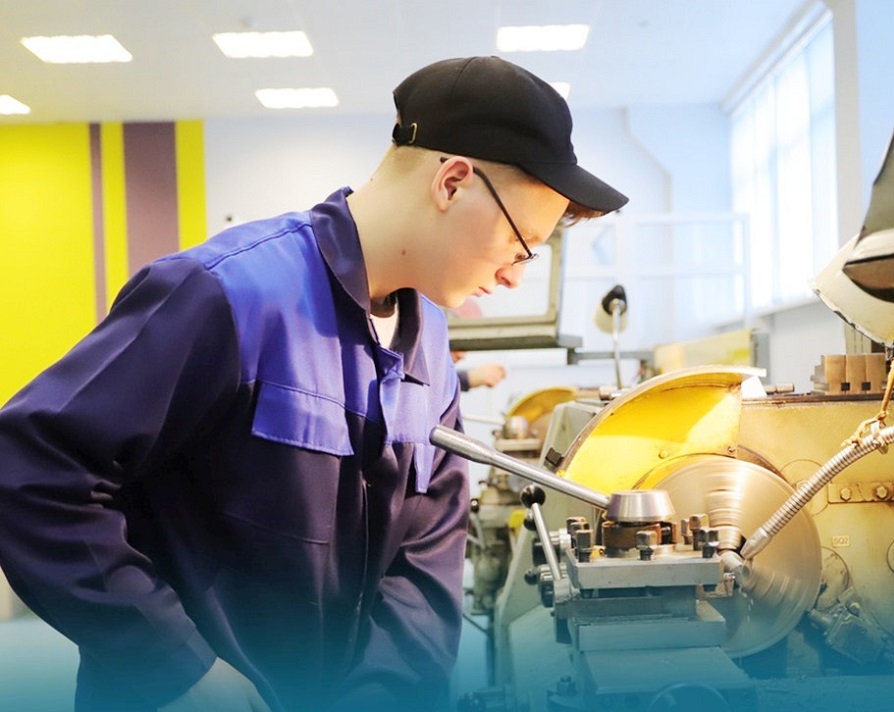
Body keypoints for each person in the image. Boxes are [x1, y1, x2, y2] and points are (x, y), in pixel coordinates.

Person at [0, 56, 626, 712]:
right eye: (521, 243)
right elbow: (31, 469)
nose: (514, 275)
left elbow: (427, 556)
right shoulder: (226, 294)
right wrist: (171, 666)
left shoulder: (429, 344)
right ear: (452, 182)